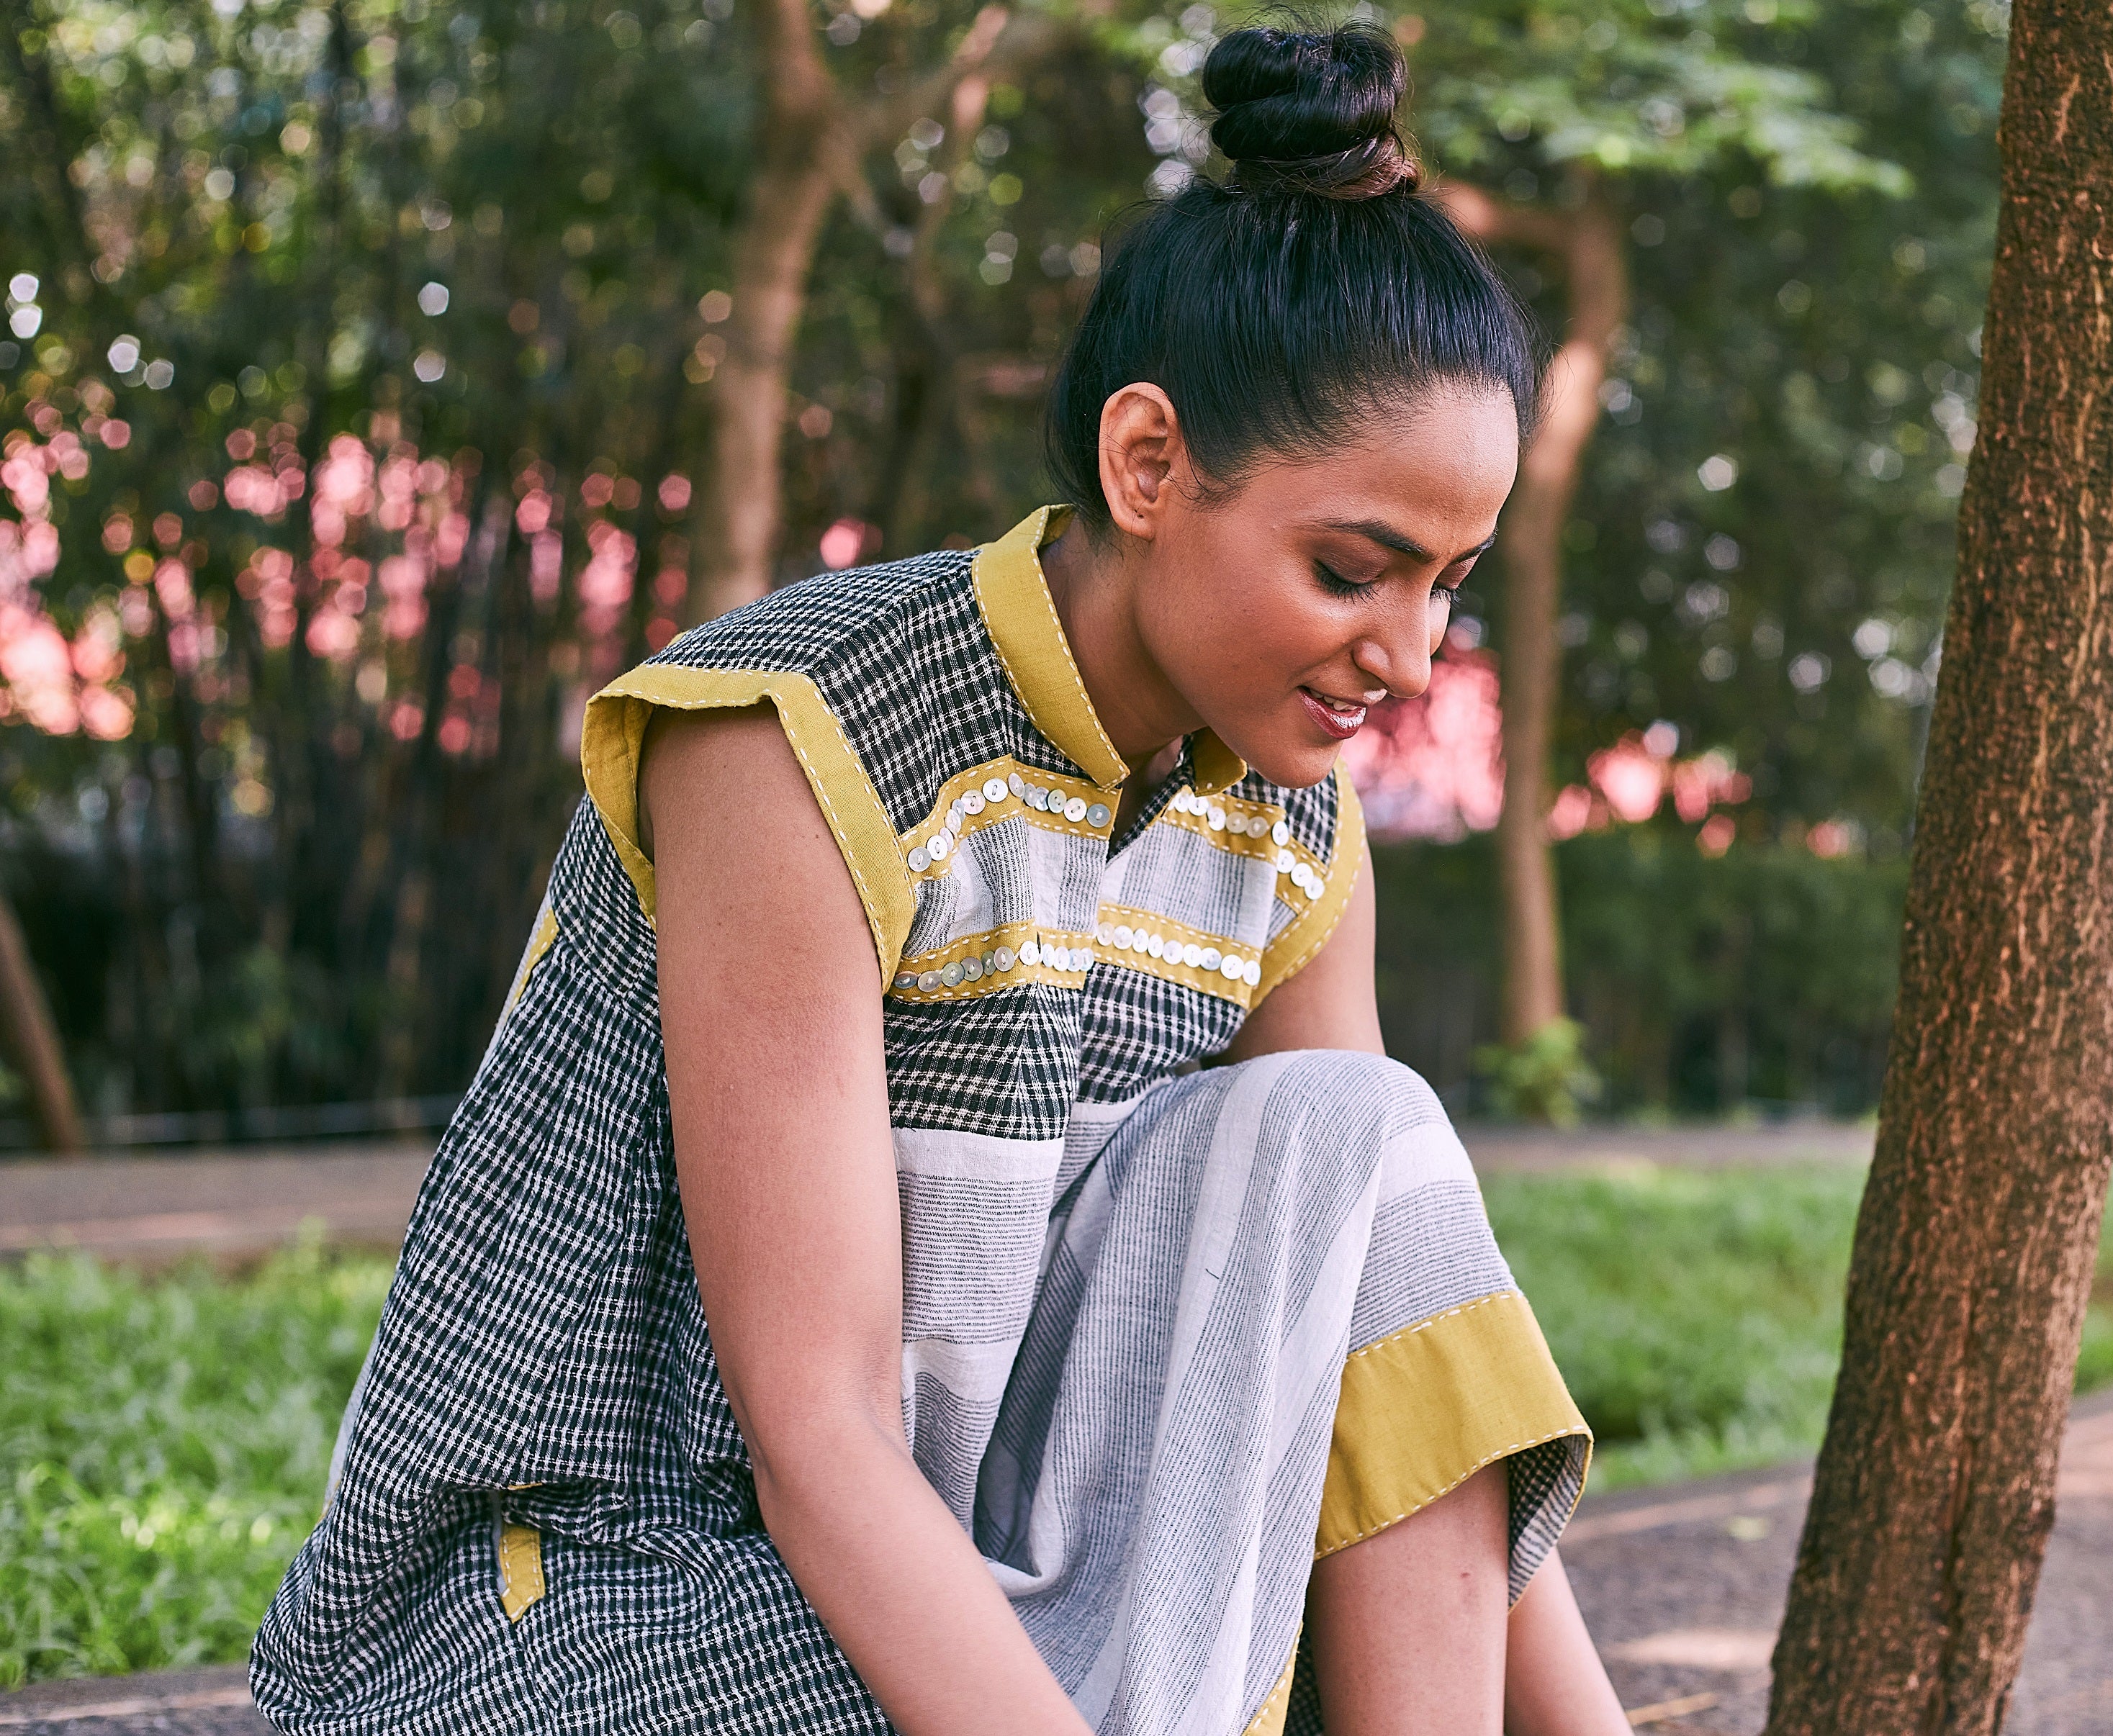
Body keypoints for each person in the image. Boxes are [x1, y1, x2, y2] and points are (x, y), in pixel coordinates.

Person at [253, 23, 1630, 1736]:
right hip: (632, 1586)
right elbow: (815, 1435)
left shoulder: (1284, 812)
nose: (1409, 657)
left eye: (1449, 587)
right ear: (1148, 467)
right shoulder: (803, 727)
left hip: (977, 1568)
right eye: (1355, 569)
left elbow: (1403, 1318)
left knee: (1358, 1145)